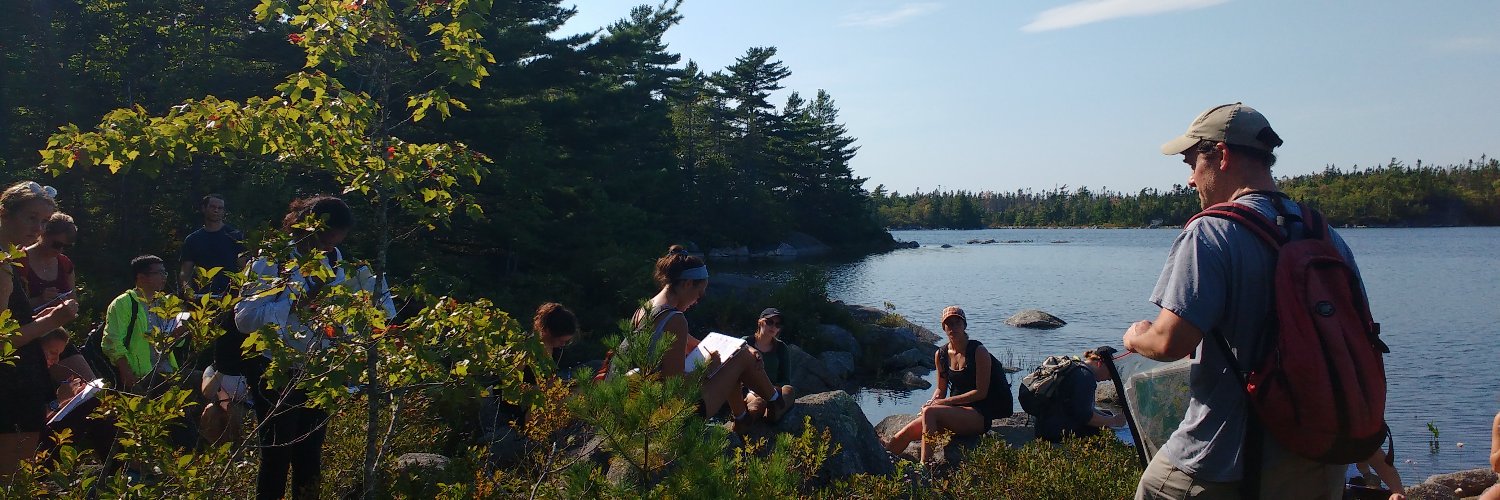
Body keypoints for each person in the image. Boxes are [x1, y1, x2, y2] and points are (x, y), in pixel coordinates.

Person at [1123, 103, 1362, 499]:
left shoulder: (1210, 233)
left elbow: (1169, 343)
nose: (1189, 179)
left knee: (1153, 489)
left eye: (1191, 162)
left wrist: (1136, 336)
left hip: (1227, 453)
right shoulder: (1324, 235)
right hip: (1321, 449)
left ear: (1221, 154)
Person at [233, 195, 390, 500]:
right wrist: (296, 304)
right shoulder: (272, 260)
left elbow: (363, 311)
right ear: (310, 228)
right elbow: (244, 318)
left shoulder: (336, 260)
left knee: (310, 453)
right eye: (328, 236)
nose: (332, 244)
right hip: (274, 366)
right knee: (277, 452)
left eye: (338, 238)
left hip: (319, 369)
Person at [624, 246, 792, 425]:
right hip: (673, 417)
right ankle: (774, 402)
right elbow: (675, 387)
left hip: (645, 406)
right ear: (688, 284)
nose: (697, 300)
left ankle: (746, 416)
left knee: (739, 354)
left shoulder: (646, 310)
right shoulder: (675, 319)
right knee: (742, 358)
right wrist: (707, 368)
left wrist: (744, 347)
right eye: (699, 293)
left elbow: (696, 345)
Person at [0, 181, 81, 477]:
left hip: (18, 384)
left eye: (44, 221)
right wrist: (52, 321)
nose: (38, 228)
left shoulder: (9, 259)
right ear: (4, 213)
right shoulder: (3, 266)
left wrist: (42, 319)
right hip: (10, 388)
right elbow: (3, 343)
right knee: (13, 481)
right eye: (30, 217)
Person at [882, 306, 1002, 466]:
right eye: (948, 324)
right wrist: (932, 402)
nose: (953, 327)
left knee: (930, 412)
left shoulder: (978, 352)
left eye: (957, 323)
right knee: (904, 434)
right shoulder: (942, 354)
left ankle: (925, 468)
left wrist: (942, 404)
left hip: (978, 415)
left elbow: (980, 392)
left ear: (964, 325)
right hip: (953, 413)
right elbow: (941, 389)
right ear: (943, 328)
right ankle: (880, 469)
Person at [103, 255, 187, 391]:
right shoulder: (123, 303)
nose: (164, 276)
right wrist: (126, 372)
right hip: (140, 376)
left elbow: (176, 342)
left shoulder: (166, 302)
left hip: (167, 372)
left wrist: (181, 332)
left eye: (164, 272)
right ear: (141, 277)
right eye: (158, 273)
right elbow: (112, 342)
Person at [1029, 349, 1126, 444]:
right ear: (1100, 363)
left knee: (1107, 415)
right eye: (1112, 372)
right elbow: (1086, 417)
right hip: (1056, 434)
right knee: (1104, 430)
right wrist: (1114, 421)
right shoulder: (1085, 377)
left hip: (1045, 426)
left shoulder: (1076, 366)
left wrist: (1110, 418)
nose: (1111, 378)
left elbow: (1082, 408)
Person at [180, 193, 246, 296]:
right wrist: (187, 289)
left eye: (220, 208)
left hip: (231, 295)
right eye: (213, 207)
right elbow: (186, 272)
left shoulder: (235, 236)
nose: (216, 210)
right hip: (202, 297)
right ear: (203, 208)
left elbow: (244, 267)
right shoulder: (192, 239)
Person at [740, 308, 796, 423]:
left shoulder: (781, 348)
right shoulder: (746, 342)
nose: (773, 327)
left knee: (789, 390)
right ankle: (747, 418)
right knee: (761, 401)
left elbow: (785, 379)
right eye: (770, 322)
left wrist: (772, 390)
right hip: (751, 392)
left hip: (774, 391)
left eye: (777, 324)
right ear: (760, 322)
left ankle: (772, 414)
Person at [21, 212, 77, 310]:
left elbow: (73, 300)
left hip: (57, 324)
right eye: (57, 245)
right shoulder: (20, 261)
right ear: (43, 234)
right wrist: (40, 300)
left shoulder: (65, 264)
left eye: (66, 246)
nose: (60, 250)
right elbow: (10, 308)